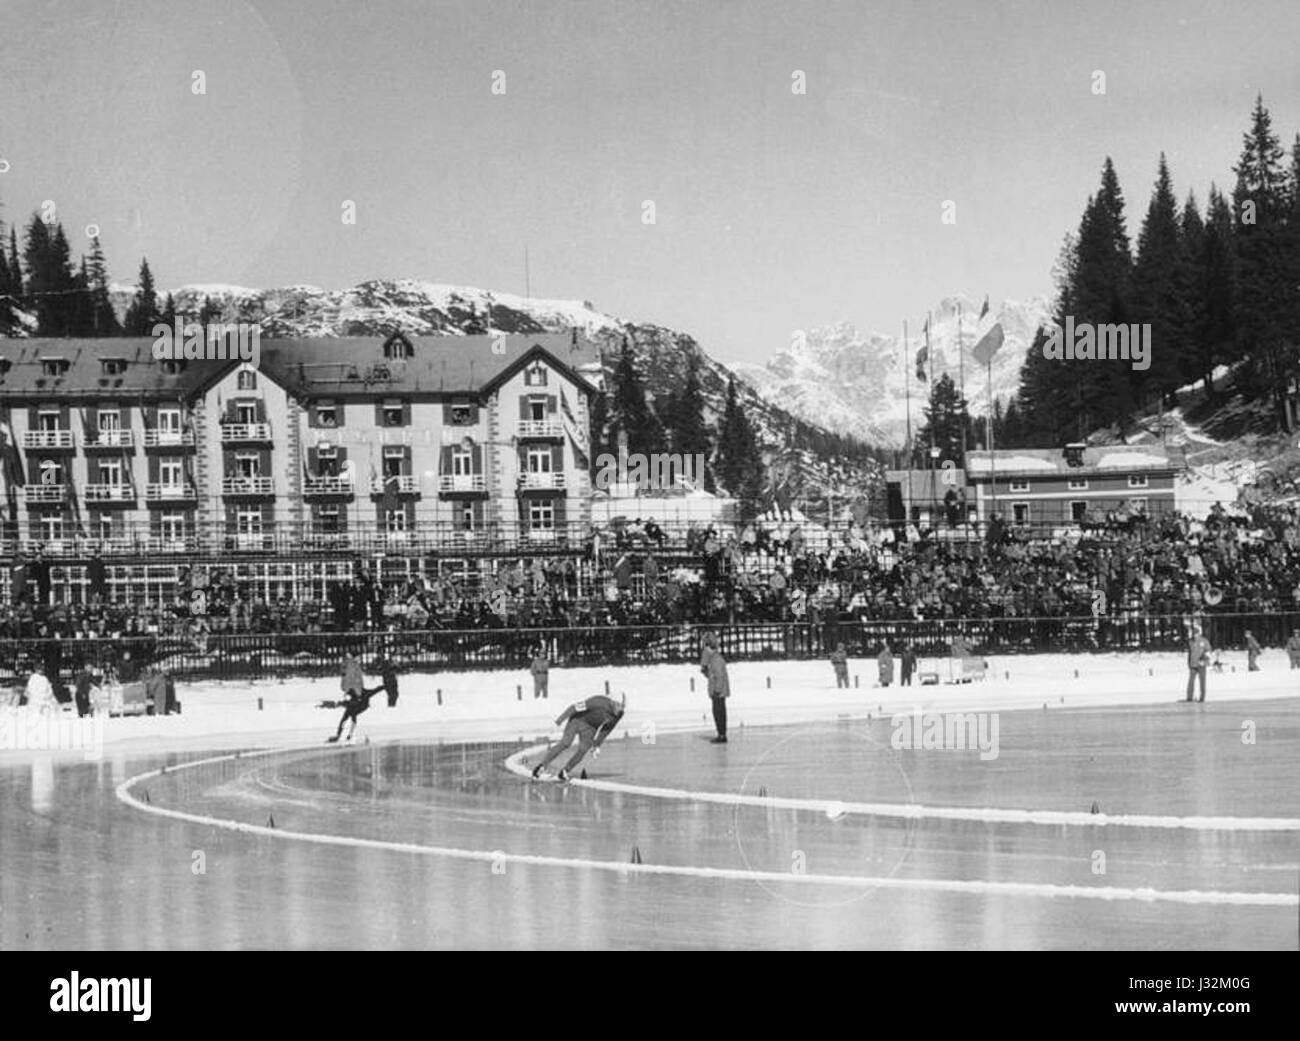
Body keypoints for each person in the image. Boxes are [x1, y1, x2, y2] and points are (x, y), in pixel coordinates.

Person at [531, 692, 627, 781]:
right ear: (612, 703)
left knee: (583, 749)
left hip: (591, 728)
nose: (620, 709)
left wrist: (597, 744)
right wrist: (559, 721)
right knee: (566, 743)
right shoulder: (597, 702)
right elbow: (574, 707)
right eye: (619, 705)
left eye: (623, 706)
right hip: (578, 720)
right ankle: (541, 766)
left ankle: (565, 771)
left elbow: (607, 729)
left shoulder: (619, 714)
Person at [700, 633, 730, 743]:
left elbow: (720, 677)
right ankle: (721, 733)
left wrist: (717, 690)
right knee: (717, 712)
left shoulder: (716, 659)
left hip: (719, 692)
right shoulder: (713, 659)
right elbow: (713, 676)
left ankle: (722, 734)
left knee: (719, 712)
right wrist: (706, 672)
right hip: (717, 691)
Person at [1185, 626, 1213, 703]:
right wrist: (1189, 663)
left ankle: (1202, 697)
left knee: (1202, 681)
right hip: (1193, 664)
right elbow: (1190, 653)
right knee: (1191, 681)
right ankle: (1189, 697)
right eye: (1193, 634)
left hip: (1201, 664)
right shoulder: (1190, 642)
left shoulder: (1204, 641)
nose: (1194, 635)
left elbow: (1208, 652)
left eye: (1196, 633)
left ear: (1199, 633)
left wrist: (1205, 660)